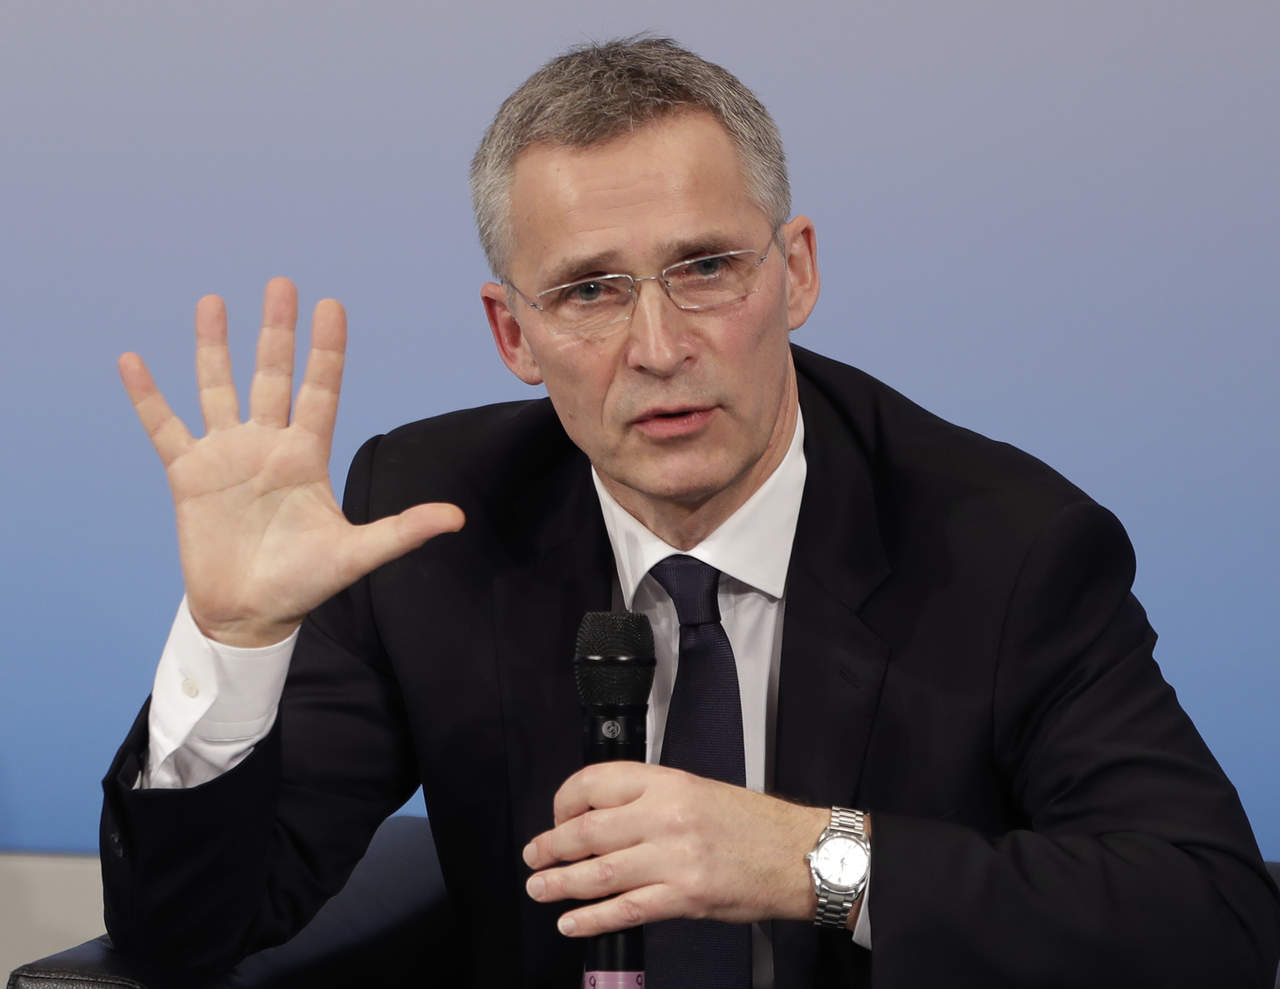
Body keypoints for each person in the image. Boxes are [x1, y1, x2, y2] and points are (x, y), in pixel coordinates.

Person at [100, 37, 1279, 988]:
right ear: (513, 334)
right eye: (589, 290)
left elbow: (1210, 915)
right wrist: (233, 645)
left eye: (705, 267)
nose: (657, 347)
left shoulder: (1005, 545)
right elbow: (186, 934)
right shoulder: (430, 519)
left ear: (794, 271)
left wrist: (808, 858)